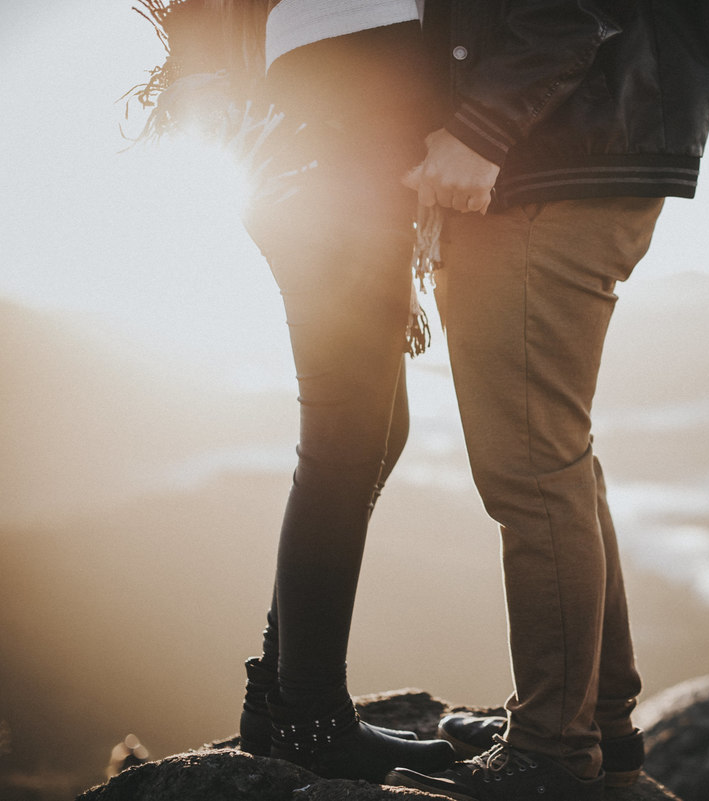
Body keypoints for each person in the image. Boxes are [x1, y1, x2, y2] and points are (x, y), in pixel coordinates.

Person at [387, 2, 709, 799]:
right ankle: (595, 723)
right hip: (567, 148)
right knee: (554, 452)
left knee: (530, 466)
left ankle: (551, 753)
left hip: (545, 156)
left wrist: (483, 126)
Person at [228, 1, 455, 782]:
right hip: (338, 145)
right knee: (342, 448)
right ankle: (311, 718)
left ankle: (278, 695)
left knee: (375, 434)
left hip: (327, 144)